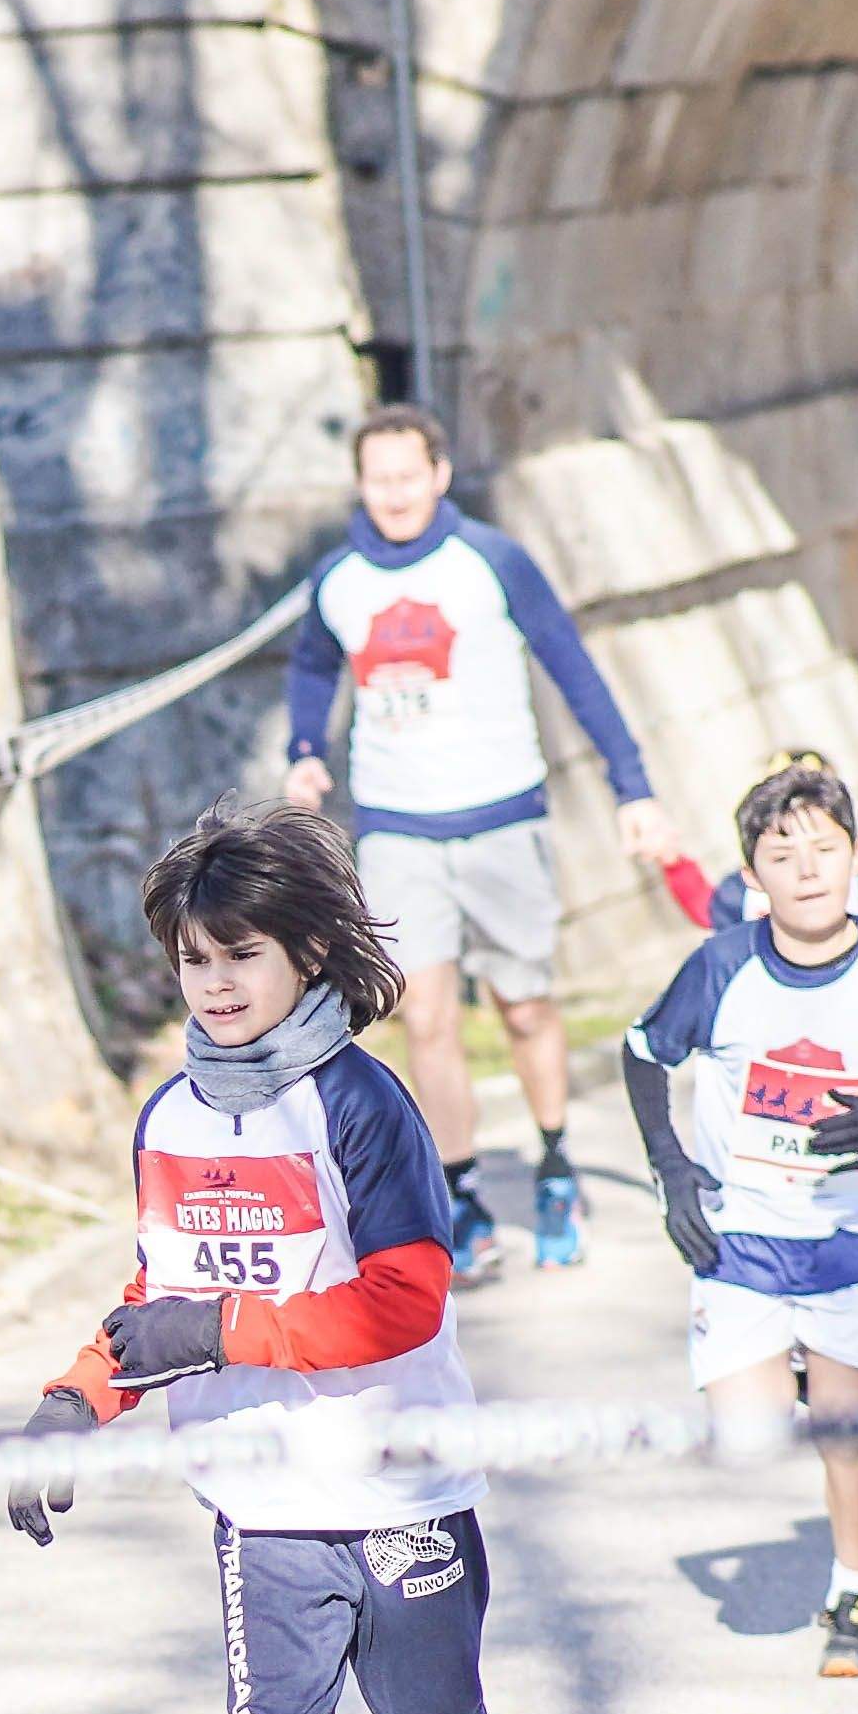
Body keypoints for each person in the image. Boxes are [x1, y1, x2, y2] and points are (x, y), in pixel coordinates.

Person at [18, 806, 563, 1714]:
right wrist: (76, 1396)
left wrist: (219, 1330)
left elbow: (405, 1304)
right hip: (258, 1503)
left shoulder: (365, 1105)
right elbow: (163, 1287)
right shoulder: (171, 1117)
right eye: (192, 957)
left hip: (399, 1486)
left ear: (309, 953)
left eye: (239, 952)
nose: (212, 979)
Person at [281, 405, 678, 1277]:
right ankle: (457, 1193)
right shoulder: (338, 580)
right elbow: (312, 664)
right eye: (377, 478)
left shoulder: (492, 563)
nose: (392, 494)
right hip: (396, 828)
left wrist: (633, 787)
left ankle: (554, 1160)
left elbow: (574, 666)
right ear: (360, 483)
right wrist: (306, 751)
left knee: (524, 1005)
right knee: (422, 1015)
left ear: (440, 473)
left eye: (407, 475)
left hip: (501, 816)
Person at [624, 755, 858, 1678]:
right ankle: (784, 1370)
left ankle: (857, 1596)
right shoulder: (720, 967)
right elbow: (641, 1053)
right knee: (746, 1442)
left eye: (826, 850)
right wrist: (672, 1173)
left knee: (846, 1425)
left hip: (848, 1234)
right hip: (740, 1231)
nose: (810, 869)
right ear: (751, 879)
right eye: (784, 856)